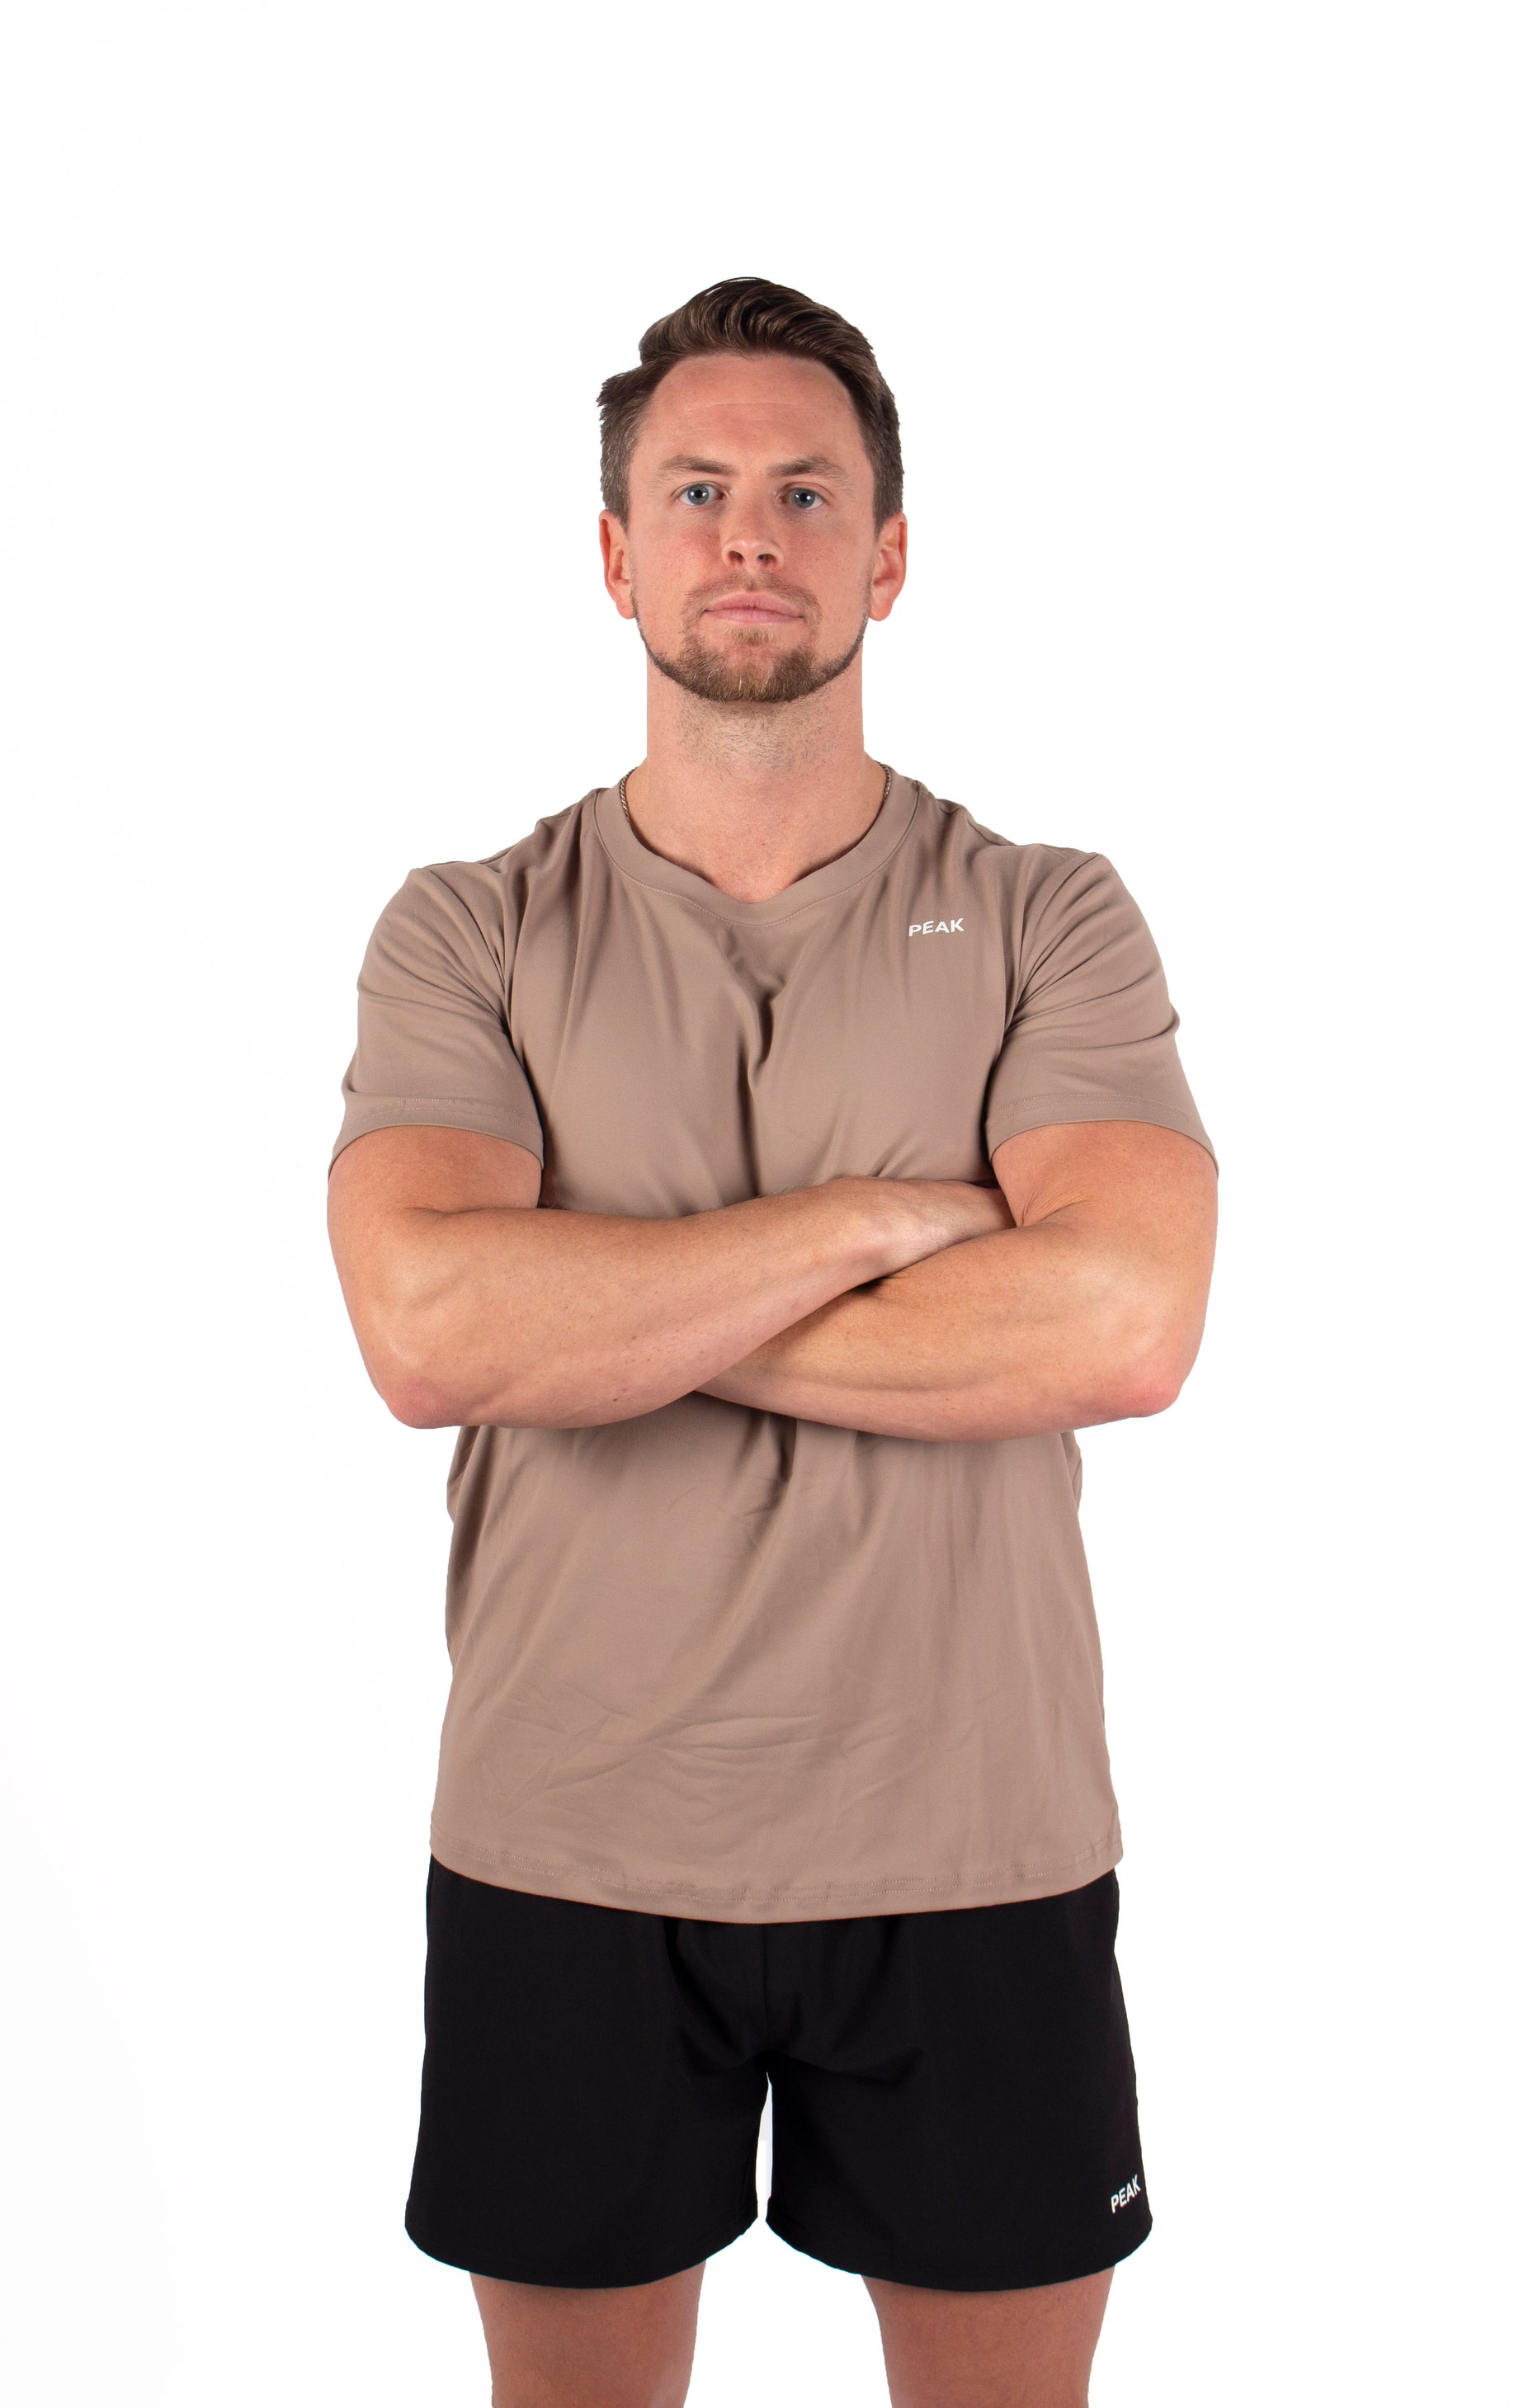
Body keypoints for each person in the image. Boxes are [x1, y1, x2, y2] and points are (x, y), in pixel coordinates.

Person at [327, 276, 1218, 2408]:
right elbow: (430, 1327)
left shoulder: (1048, 912)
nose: (750, 534)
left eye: (808, 493)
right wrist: (880, 1226)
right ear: (612, 553)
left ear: (887, 557)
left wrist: (597, 1306)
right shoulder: (468, 927)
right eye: (696, 490)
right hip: (569, 1836)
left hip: (974, 1838)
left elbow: (1125, 1316)